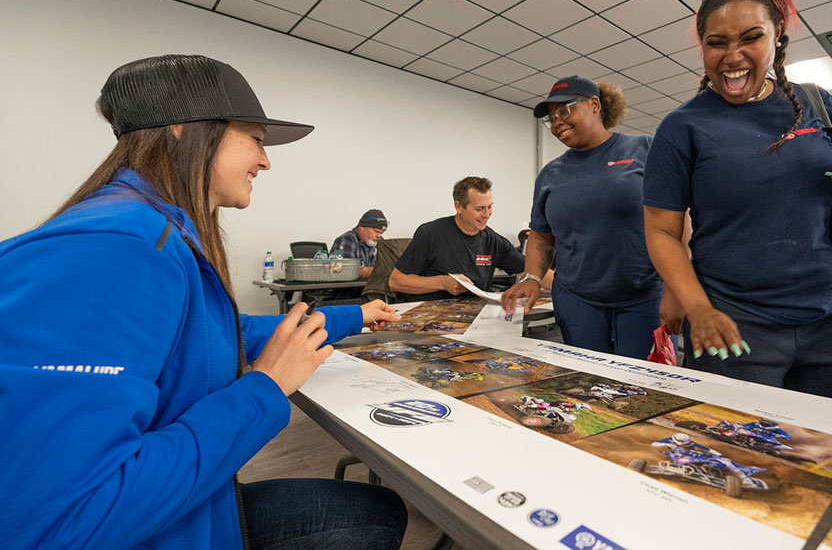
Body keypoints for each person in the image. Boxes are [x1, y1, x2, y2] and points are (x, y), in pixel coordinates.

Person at [0, 55, 406, 550]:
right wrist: (267, 386)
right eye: (255, 138)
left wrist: (355, 315)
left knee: (376, 510)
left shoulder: (154, 230)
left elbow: (217, 335)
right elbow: (65, 520)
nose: (265, 160)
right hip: (165, 531)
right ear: (181, 128)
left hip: (196, 516)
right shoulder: (118, 249)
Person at [642, 0, 832, 407]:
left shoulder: (820, 103)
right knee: (741, 457)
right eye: (716, 42)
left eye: (751, 37)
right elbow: (662, 232)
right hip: (734, 323)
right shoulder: (682, 127)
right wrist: (698, 307)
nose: (733, 55)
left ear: (778, 36)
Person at [500, 76, 665, 359]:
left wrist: (677, 285)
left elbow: (676, 215)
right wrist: (532, 277)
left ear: (594, 104)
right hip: (578, 301)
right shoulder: (551, 174)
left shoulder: (644, 150)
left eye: (565, 111)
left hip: (643, 297)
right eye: (551, 119)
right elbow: (541, 234)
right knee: (589, 387)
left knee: (643, 390)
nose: (557, 123)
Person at [389, 176, 525, 300]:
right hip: (431, 316)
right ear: (458, 207)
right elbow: (396, 281)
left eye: (490, 207)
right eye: (480, 209)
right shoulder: (430, 234)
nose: (487, 214)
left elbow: (531, 270)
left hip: (474, 317)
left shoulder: (492, 241)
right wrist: (443, 282)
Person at [332, 209, 389, 278]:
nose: (379, 236)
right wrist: (381, 271)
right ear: (361, 228)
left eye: (381, 233)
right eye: (376, 231)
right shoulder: (347, 240)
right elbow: (348, 271)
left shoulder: (379, 241)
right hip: (349, 288)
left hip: (369, 287)